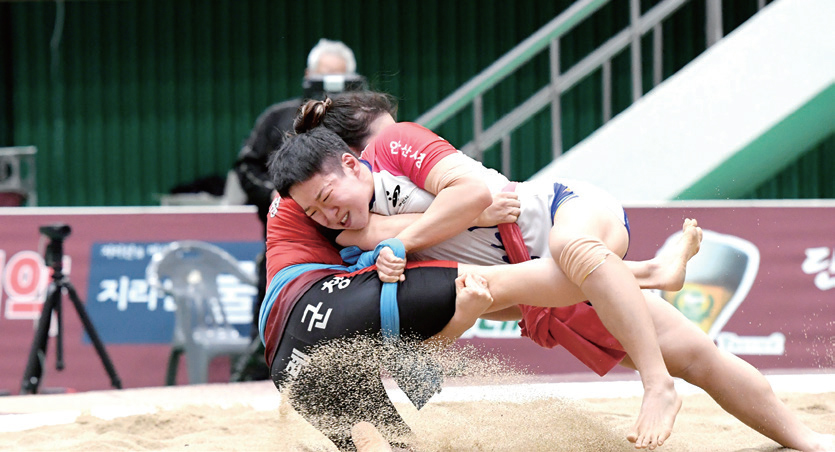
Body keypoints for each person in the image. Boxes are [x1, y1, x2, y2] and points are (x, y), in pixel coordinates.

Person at [267, 93, 834, 451]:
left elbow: (474, 193)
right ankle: (802, 438)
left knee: (574, 251)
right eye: (314, 208)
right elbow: (447, 282)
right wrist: (425, 243)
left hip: (566, 211)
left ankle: (657, 381)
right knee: (700, 355)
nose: (327, 212)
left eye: (326, 199)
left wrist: (434, 225)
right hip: (541, 285)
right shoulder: (353, 225)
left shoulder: (399, 149)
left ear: (351, 159)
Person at [232, 38, 364, 381]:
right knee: (275, 303)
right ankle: (263, 371)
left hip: (350, 240)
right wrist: (285, 200)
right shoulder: (277, 117)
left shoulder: (359, 120)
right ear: (308, 75)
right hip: (286, 243)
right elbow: (246, 168)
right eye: (324, 75)